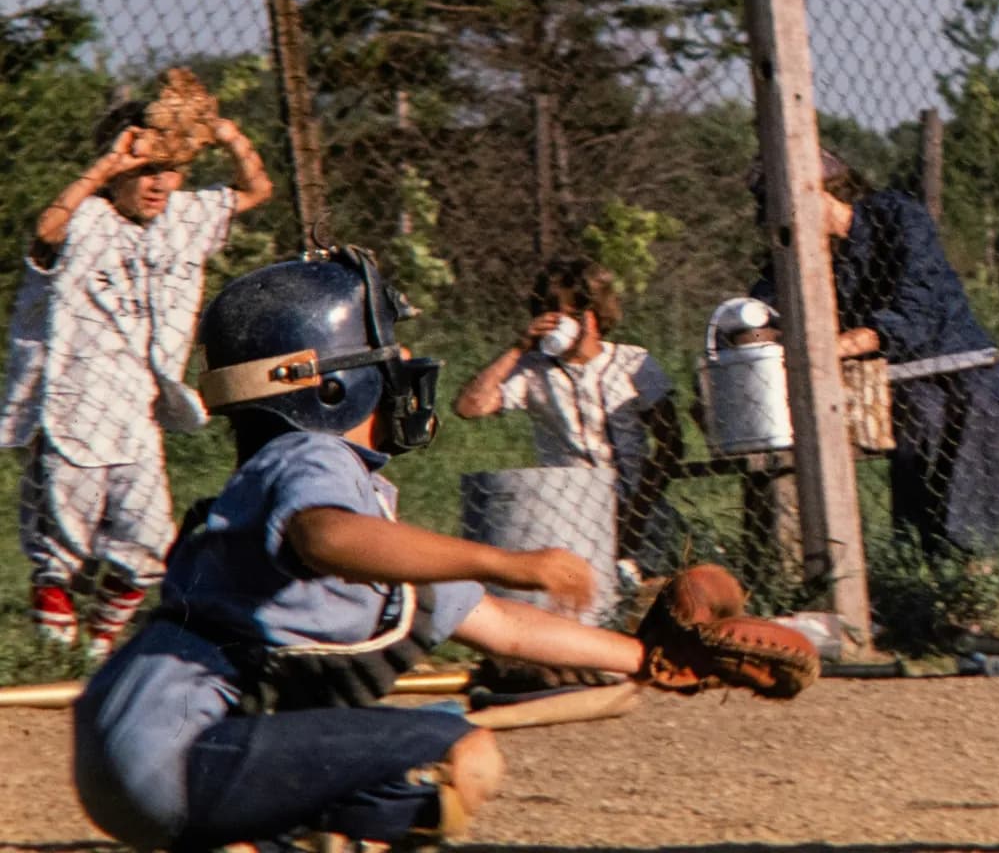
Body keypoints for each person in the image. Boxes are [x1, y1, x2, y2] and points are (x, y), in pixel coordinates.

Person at [71, 247, 649, 851]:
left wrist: (652, 661)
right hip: (178, 755)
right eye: (386, 352)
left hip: (139, 755)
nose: (404, 366)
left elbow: (501, 624)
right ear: (330, 387)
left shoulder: (315, 489)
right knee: (454, 753)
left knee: (425, 730)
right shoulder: (311, 457)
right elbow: (327, 537)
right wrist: (504, 560)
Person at [1, 88, 272, 658]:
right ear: (116, 170)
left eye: (170, 172)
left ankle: (98, 647)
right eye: (145, 170)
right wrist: (105, 165)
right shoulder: (89, 218)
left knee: (149, 545)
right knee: (63, 549)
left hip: (137, 410)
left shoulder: (183, 217)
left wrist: (226, 135)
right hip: (70, 401)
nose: (158, 184)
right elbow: (47, 233)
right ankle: (50, 652)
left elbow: (256, 190)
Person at [755, 152, 999, 564]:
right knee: (921, 420)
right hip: (896, 379)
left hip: (965, 359)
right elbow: (756, 312)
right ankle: (918, 555)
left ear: (821, 195)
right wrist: (757, 334)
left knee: (982, 406)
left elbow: (917, 309)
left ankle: (969, 558)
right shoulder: (797, 256)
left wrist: (832, 347)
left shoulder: (897, 217)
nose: (783, 227)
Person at [453, 257, 686, 577]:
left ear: (590, 317)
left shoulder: (632, 362)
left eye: (565, 314)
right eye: (548, 314)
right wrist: (519, 348)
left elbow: (671, 443)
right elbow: (469, 406)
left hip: (639, 504)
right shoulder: (533, 371)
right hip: (570, 510)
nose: (555, 321)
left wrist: (640, 508)